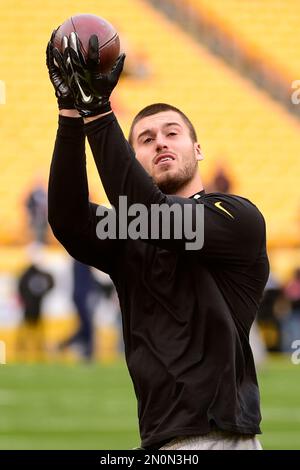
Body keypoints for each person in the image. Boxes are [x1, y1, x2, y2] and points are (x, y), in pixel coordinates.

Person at [46, 31, 269, 450]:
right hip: (157, 442)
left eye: (172, 133)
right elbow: (69, 219)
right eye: (146, 141)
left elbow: (156, 216)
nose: (161, 142)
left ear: (197, 149)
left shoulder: (236, 217)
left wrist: (98, 110)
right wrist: (70, 115)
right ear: (132, 161)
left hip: (219, 438)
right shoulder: (131, 233)